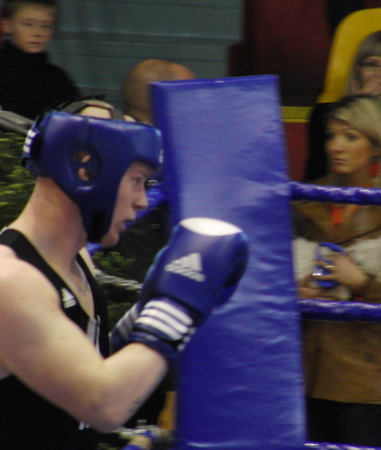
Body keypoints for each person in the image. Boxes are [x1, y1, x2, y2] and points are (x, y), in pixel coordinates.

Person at [0, 105, 248, 448]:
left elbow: (76, 371)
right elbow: (105, 404)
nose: (143, 201)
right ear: (87, 172)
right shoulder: (10, 281)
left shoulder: (77, 263)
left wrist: (143, 313)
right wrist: (174, 307)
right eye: (136, 181)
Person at [293, 94, 381, 447]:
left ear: (377, 145)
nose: (335, 146)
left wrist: (361, 281)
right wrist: (297, 292)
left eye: (350, 137)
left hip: (362, 376)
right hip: (304, 366)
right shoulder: (308, 198)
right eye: (331, 136)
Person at [110, 58, 197, 283]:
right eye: (190, 97)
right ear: (166, 100)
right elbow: (136, 254)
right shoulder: (141, 157)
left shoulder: (122, 142)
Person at [304, 30, 381, 181]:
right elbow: (316, 176)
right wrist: (360, 107)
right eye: (371, 64)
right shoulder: (323, 114)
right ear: (357, 71)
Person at [0, 0, 80, 119]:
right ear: (7, 25)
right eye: (28, 24)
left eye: (45, 26)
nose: (37, 33)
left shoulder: (58, 79)